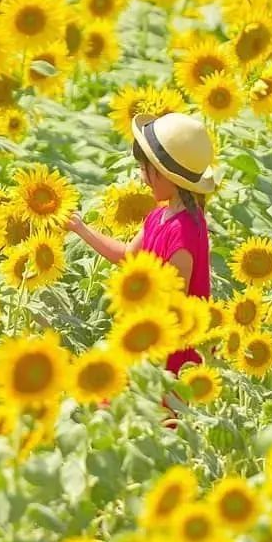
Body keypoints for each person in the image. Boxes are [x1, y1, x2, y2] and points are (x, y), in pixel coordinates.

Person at [65, 110, 216, 409]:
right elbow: (127, 256)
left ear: (167, 176)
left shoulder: (184, 234)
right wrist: (81, 228)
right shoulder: (160, 215)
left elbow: (173, 311)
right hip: (146, 341)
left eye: (146, 169)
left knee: (152, 426)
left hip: (167, 359)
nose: (141, 175)